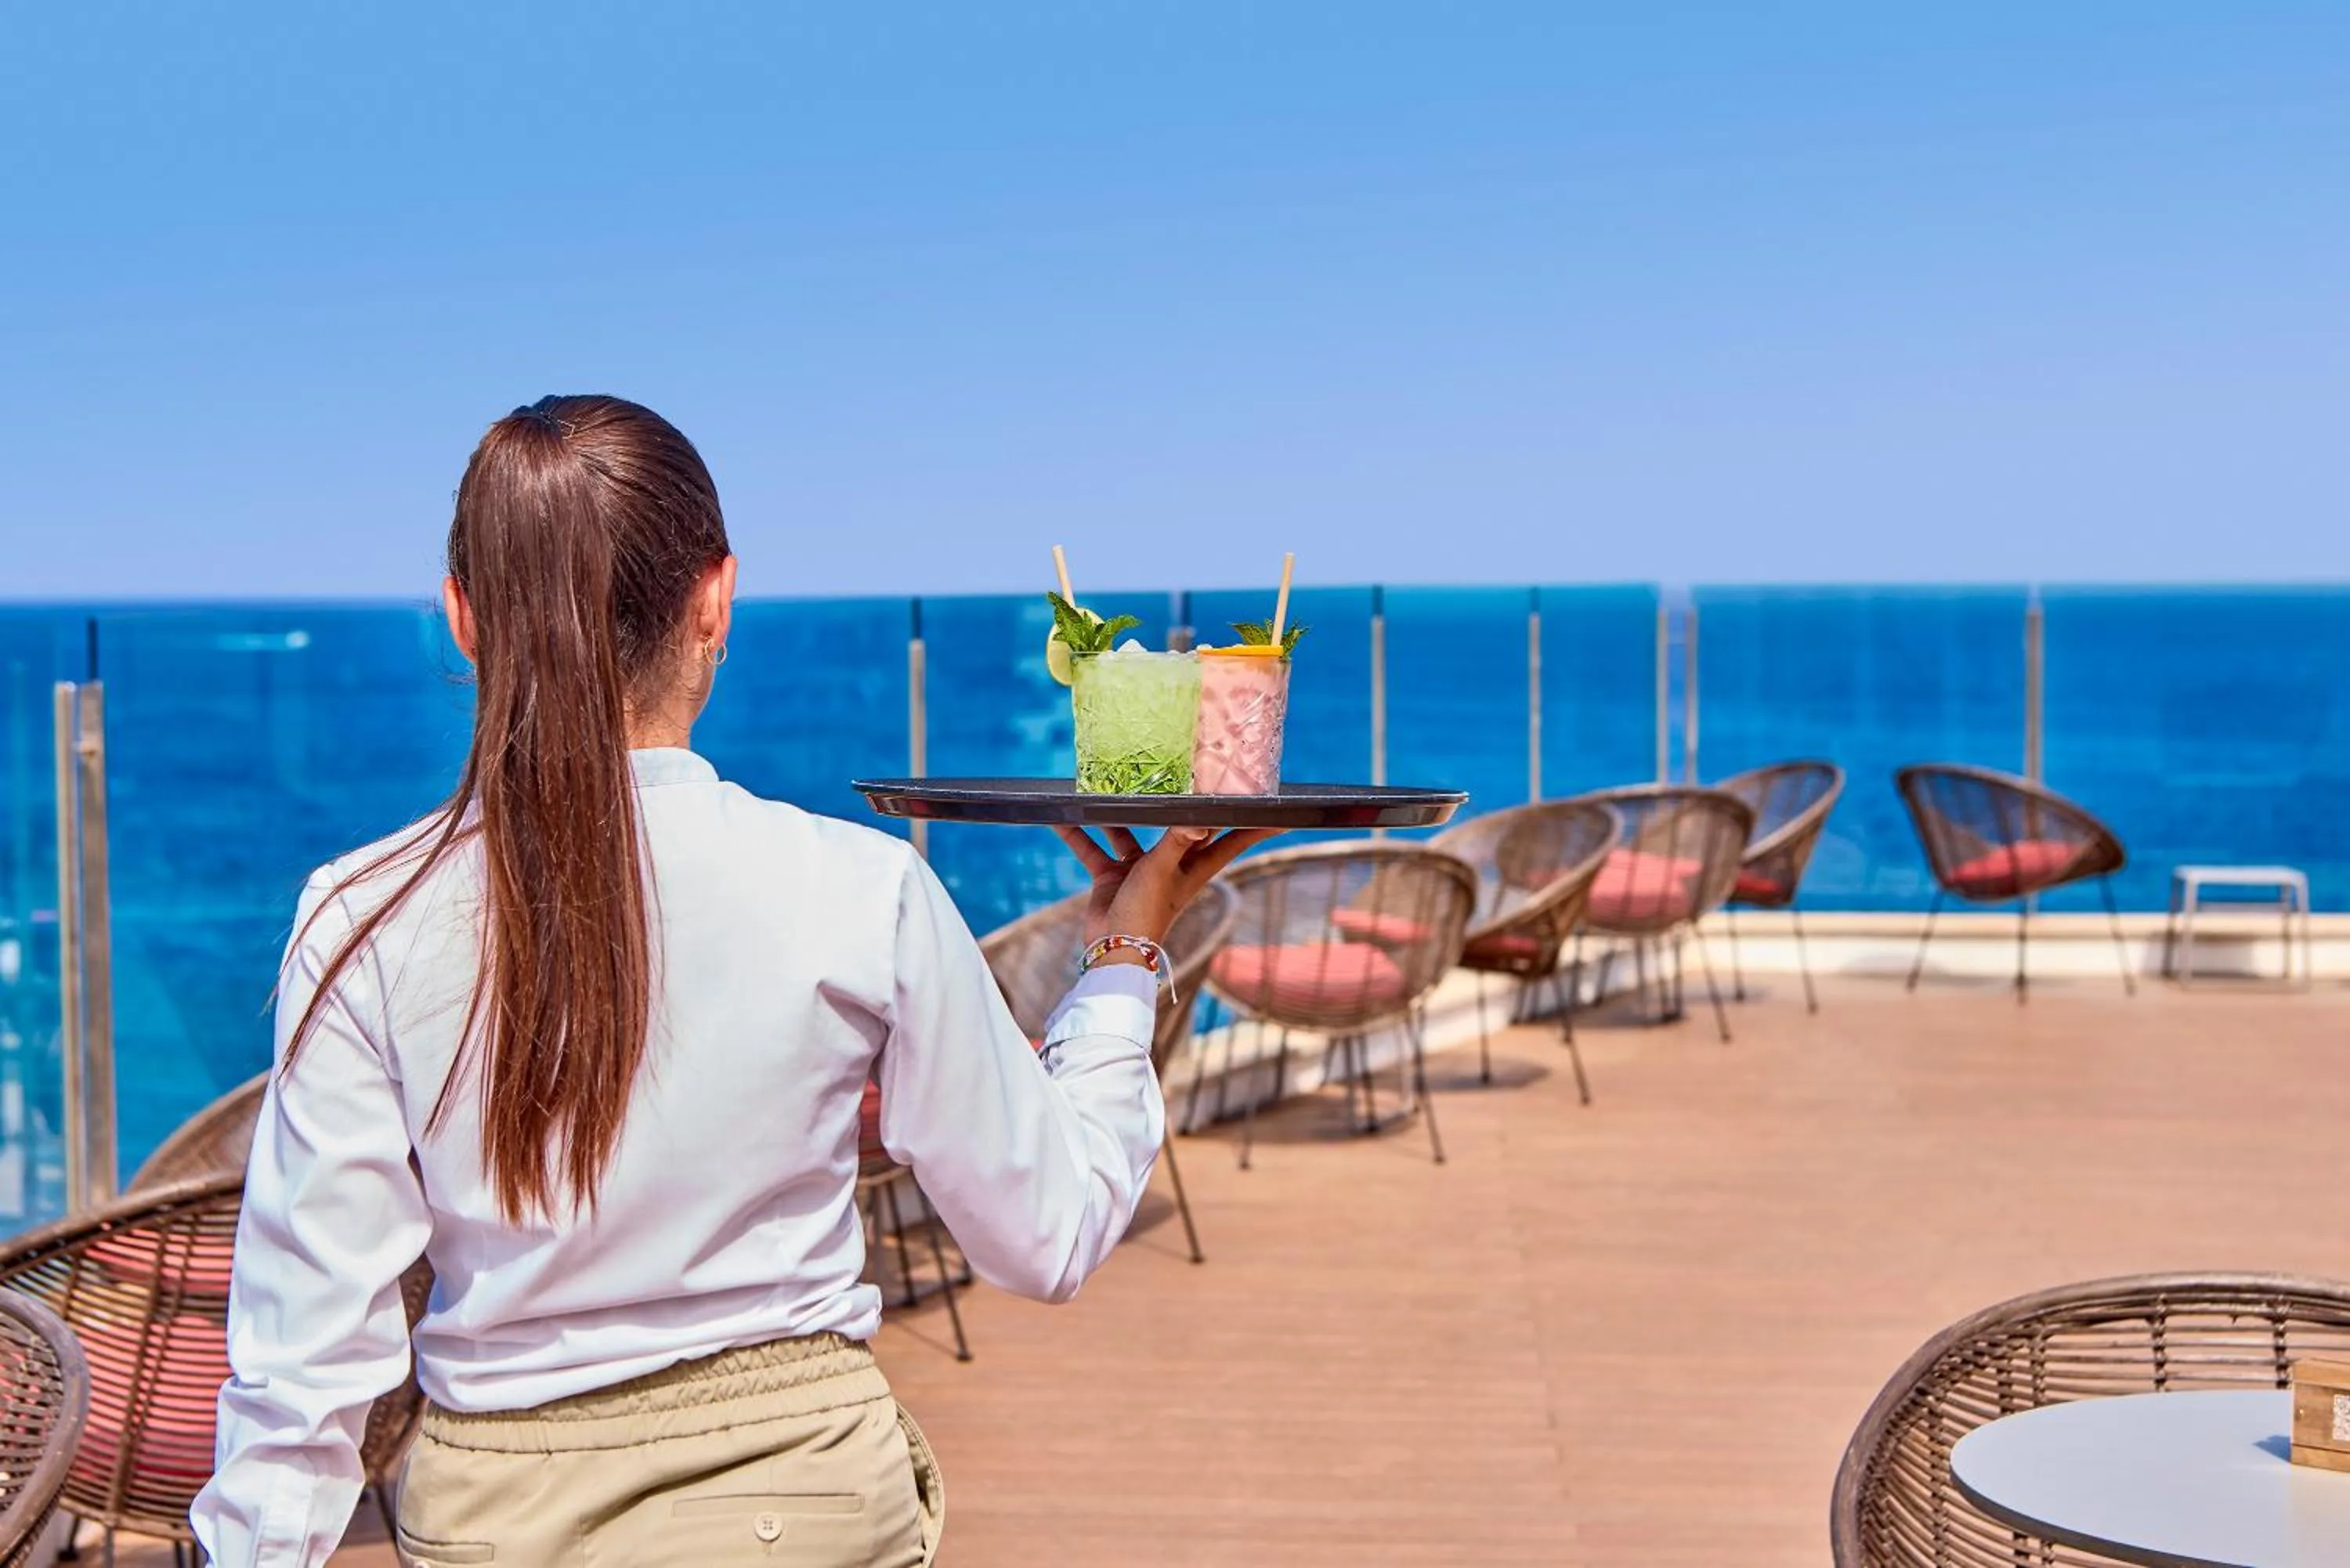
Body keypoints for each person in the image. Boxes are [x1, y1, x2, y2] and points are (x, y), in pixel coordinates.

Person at [190, 395, 1268, 1566]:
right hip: (807, 1520)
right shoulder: (862, 891)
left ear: (462, 618)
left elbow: (301, 1391)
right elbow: (1048, 1232)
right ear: (717, 599)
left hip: (500, 1528)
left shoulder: (363, 919)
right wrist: (1125, 954)